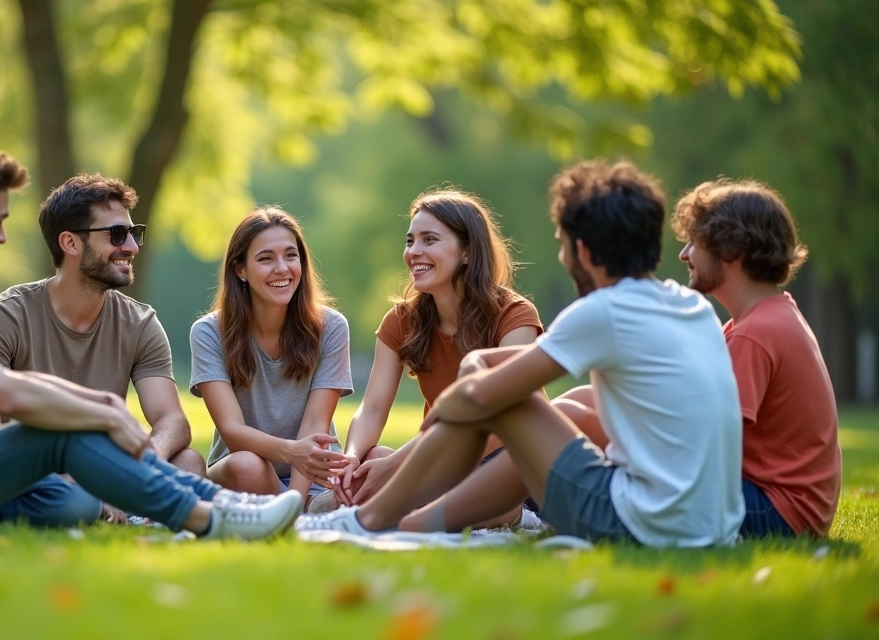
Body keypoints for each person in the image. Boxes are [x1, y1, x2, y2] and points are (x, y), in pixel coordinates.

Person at [0, 135, 302, 539]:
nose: (1, 237)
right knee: (60, 433)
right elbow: (1, 390)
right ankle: (213, 516)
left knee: (72, 503)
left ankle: (214, 506)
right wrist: (101, 410)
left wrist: (96, 409)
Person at [298, 159, 745, 547]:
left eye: (562, 242)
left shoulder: (601, 312)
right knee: (511, 393)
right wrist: (474, 373)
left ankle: (366, 521)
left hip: (638, 522)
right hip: (711, 527)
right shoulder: (690, 305)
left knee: (502, 397)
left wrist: (442, 417)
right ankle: (414, 522)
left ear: (583, 250)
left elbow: (485, 398)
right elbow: (487, 380)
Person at [0, 173, 203, 482]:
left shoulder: (140, 323)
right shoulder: (5, 316)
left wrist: (149, 456)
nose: (132, 246)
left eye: (134, 232)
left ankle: (126, 509)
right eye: (117, 233)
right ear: (70, 243)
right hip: (30, 474)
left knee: (189, 463)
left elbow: (172, 419)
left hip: (105, 468)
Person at [330, 189, 542, 525]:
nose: (414, 252)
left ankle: (519, 516)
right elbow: (371, 409)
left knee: (390, 467)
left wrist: (399, 464)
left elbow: (499, 422)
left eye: (429, 240)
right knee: (375, 458)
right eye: (410, 240)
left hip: (511, 462)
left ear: (468, 252)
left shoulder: (514, 315)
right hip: (446, 462)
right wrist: (352, 458)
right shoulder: (401, 321)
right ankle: (411, 507)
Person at [671, 179, 840, 537]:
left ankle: (535, 505)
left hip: (775, 514)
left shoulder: (755, 333)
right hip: (786, 509)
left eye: (695, 242)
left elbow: (704, 442)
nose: (684, 254)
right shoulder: (764, 318)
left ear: (730, 250)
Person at [190, 207, 353, 508]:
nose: (282, 268)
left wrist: (296, 496)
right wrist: (292, 452)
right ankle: (295, 510)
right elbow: (233, 431)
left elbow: (317, 421)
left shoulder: (331, 326)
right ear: (240, 269)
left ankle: (298, 507)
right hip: (243, 470)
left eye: (291, 256)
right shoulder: (208, 332)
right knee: (246, 466)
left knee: (368, 478)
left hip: (313, 474)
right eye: (266, 259)